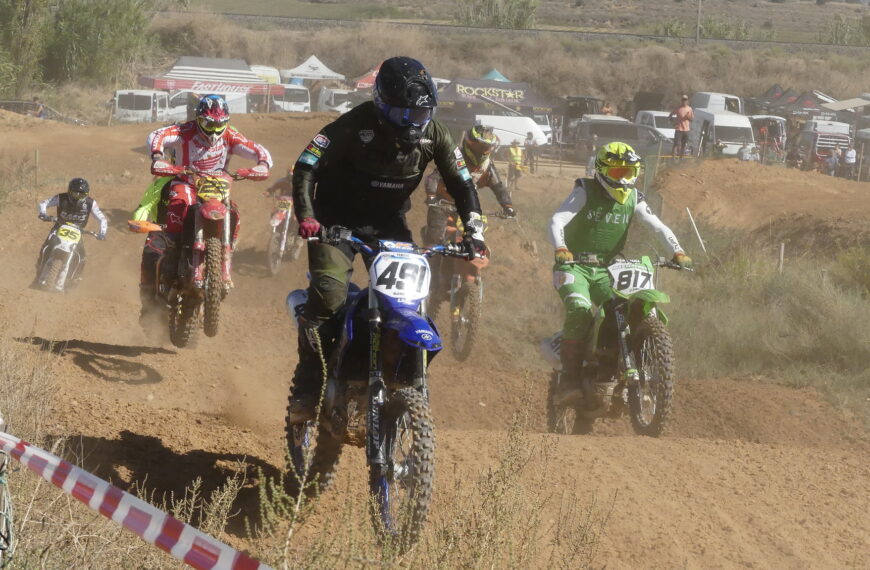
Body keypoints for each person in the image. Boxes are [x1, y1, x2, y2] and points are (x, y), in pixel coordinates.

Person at [287, 56, 485, 420]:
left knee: (409, 300)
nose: (413, 124)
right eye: (403, 115)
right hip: (336, 220)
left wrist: (475, 229)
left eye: (421, 115)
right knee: (329, 298)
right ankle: (308, 384)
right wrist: (308, 217)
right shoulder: (353, 125)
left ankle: (395, 376)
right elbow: (306, 165)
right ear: (381, 105)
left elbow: (461, 182)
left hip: (387, 223)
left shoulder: (435, 133)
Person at [548, 142, 692, 399]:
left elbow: (658, 227)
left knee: (623, 311)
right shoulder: (585, 191)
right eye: (617, 173)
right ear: (602, 171)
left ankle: (613, 370)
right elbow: (558, 219)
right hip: (573, 267)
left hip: (606, 269)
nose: (624, 179)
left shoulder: (634, 198)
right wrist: (561, 247)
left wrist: (678, 251)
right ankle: (568, 380)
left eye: (629, 172)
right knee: (580, 309)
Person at [146, 94, 272, 283]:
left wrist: (262, 164)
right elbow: (158, 135)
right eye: (209, 124)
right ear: (199, 119)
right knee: (179, 203)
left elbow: (255, 148)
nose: (214, 129)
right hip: (187, 182)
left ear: (226, 122)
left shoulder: (230, 135)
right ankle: (172, 249)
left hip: (217, 186)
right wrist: (157, 155)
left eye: (219, 124)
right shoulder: (185, 130)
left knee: (234, 211)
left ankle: (228, 247)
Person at [423, 124, 515, 246]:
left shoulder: (487, 165)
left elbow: (498, 187)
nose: (483, 151)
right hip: (442, 204)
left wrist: (508, 206)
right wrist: (431, 196)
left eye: (487, 147)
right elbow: (433, 178)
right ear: (470, 143)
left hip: (468, 207)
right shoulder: (454, 158)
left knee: (475, 237)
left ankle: (475, 253)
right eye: (481, 146)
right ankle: (430, 248)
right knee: (436, 240)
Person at [36, 178, 108, 285]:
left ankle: (75, 278)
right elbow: (43, 203)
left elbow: (102, 219)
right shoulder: (61, 198)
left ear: (87, 194)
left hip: (77, 231)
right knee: (46, 246)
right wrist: (43, 214)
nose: (78, 197)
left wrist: (102, 233)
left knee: (81, 255)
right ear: (69, 191)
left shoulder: (90, 203)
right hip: (59, 226)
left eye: (82, 195)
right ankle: (40, 266)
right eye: (75, 194)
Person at [668, 95, 693, 159]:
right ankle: (673, 159)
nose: (684, 101)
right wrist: (673, 123)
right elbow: (670, 115)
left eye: (685, 100)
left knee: (684, 145)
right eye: (683, 100)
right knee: (676, 144)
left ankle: (681, 159)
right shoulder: (678, 108)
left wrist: (688, 117)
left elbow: (691, 119)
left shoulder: (689, 109)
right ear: (681, 100)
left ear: (687, 101)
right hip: (679, 129)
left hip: (686, 130)